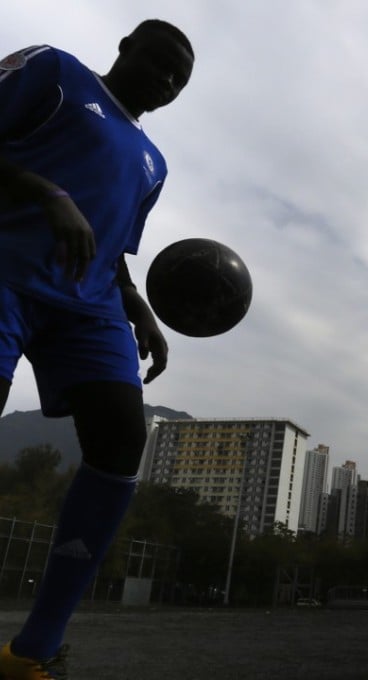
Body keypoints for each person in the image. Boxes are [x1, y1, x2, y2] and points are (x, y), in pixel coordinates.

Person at [0, 19, 194, 680]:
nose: (165, 80)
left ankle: (33, 650)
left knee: (120, 445)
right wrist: (47, 192)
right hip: (6, 271)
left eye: (178, 78)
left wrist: (139, 308)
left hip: (90, 306)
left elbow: (110, 248)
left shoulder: (152, 163)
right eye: (160, 61)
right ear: (124, 48)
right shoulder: (54, 71)